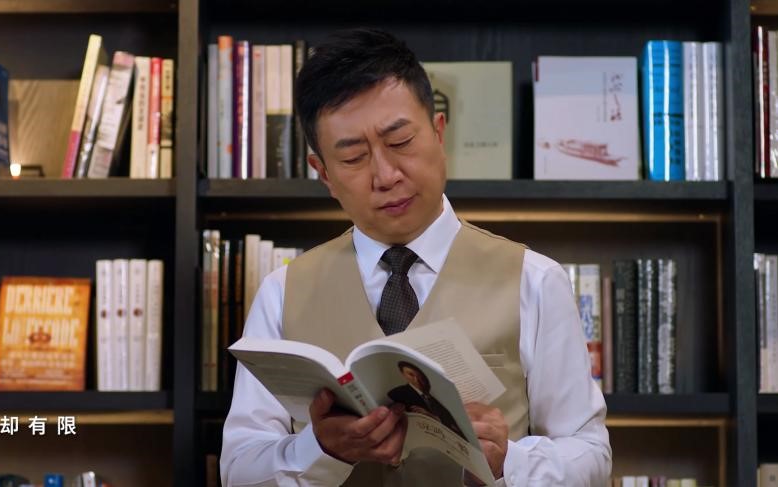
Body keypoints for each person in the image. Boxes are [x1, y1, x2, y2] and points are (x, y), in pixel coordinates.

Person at [221, 28, 611, 486]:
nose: (385, 175)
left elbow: (590, 455)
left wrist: (510, 463)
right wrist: (321, 450)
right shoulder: (282, 293)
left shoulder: (535, 280)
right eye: (353, 158)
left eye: (401, 141)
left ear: (439, 132)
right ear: (323, 174)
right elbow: (239, 469)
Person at [386, 361, 466, 440]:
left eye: (418, 375)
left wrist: (434, 418)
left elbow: (451, 424)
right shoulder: (397, 393)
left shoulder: (433, 399)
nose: (416, 379)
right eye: (411, 374)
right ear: (403, 375)